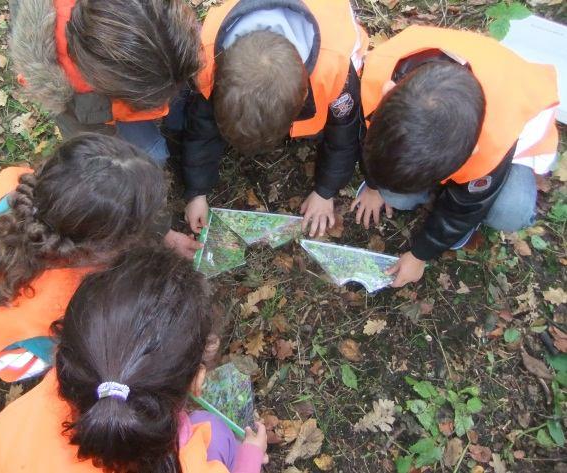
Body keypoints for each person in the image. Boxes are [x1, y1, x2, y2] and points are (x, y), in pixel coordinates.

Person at [0, 246, 268, 473]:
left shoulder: (9, 427)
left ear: (64, 353)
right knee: (215, 430)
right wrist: (250, 458)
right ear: (198, 381)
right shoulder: (194, 462)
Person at [0, 134, 198, 382]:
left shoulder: (19, 188)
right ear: (103, 245)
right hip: (8, 346)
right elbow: (74, 354)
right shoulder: (69, 302)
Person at [351, 25, 559, 288]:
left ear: (471, 154)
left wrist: (420, 255)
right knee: (396, 195)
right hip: (459, 121)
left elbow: (466, 207)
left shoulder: (494, 141)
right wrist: (373, 186)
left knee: (509, 211)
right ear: (386, 93)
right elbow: (371, 140)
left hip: (513, 145)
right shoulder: (379, 73)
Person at [182, 0, 368, 237]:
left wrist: (325, 192)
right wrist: (196, 192)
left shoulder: (335, 72)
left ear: (303, 98)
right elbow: (200, 129)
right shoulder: (206, 60)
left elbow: (344, 134)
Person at [9, 0, 201, 164]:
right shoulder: (56, 76)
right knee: (150, 154)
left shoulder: (153, 19)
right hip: (91, 110)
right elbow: (85, 135)